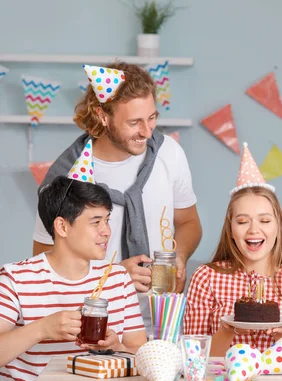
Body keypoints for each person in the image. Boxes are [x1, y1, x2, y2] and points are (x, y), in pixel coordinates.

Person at [32, 62, 201, 327]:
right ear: (103, 116)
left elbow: (189, 222)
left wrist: (179, 257)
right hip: (96, 322)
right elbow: (44, 265)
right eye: (134, 122)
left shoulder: (169, 153)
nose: (147, 132)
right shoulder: (66, 177)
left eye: (152, 118)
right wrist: (114, 275)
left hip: (163, 317)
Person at [0, 171, 146, 381]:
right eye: (95, 222)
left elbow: (140, 352)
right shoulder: (15, 278)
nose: (106, 231)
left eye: (107, 220)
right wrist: (43, 329)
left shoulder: (117, 278)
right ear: (62, 227)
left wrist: (116, 347)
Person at [184, 143, 282, 358]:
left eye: (265, 220)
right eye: (242, 221)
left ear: (278, 226)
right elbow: (193, 360)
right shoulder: (206, 278)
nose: (253, 230)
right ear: (231, 229)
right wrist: (227, 330)